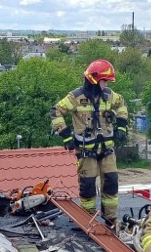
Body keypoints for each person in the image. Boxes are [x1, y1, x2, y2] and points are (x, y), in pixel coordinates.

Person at [51, 59, 128, 229]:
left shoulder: (109, 95)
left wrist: (122, 124)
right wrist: (65, 134)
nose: (106, 84)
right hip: (87, 152)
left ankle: (111, 220)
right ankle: (88, 220)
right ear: (94, 79)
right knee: (87, 187)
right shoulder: (76, 97)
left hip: (108, 150)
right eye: (104, 80)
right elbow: (56, 111)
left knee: (111, 183)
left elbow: (122, 104)